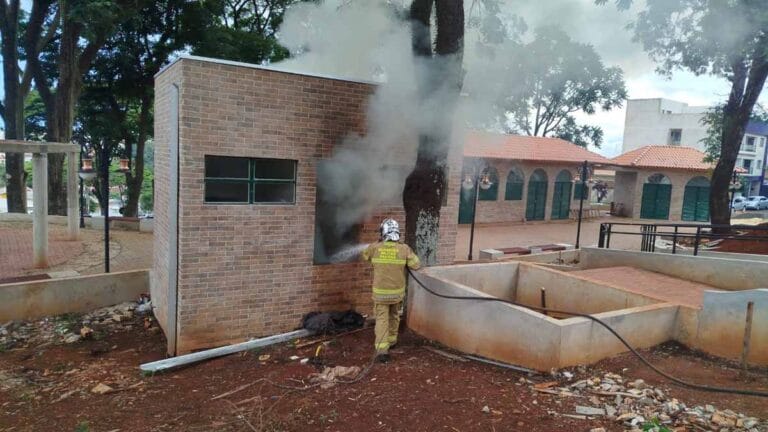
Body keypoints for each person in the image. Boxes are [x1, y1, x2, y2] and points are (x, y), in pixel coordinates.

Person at [362, 218, 421, 363]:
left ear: (383, 232)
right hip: (397, 294)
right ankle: (392, 341)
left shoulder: (374, 248)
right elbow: (416, 265)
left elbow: (365, 256)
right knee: (394, 316)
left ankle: (382, 351)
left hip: (380, 294)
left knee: (382, 320)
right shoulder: (404, 249)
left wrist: (378, 245)